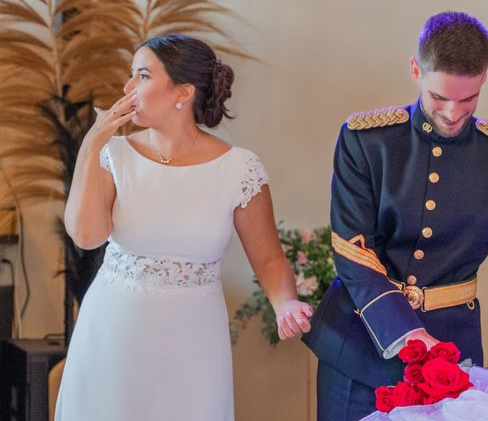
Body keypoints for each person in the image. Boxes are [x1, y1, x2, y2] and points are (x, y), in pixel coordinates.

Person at [302, 11, 488, 420]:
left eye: (467, 99)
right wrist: (407, 335)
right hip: (359, 344)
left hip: (453, 353)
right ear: (415, 69)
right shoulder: (367, 141)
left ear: (485, 76)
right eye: (439, 97)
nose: (453, 113)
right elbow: (353, 251)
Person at [56, 34, 313, 421]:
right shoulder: (116, 155)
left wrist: (285, 303)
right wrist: (92, 145)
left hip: (194, 342)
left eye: (142, 75)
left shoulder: (239, 169)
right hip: (113, 333)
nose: (128, 88)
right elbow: (86, 236)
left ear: (184, 91)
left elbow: (269, 258)